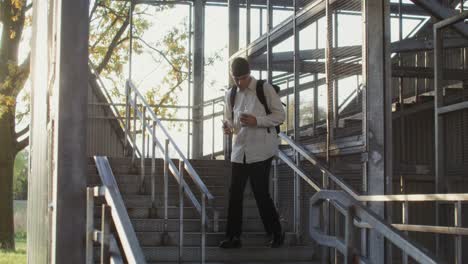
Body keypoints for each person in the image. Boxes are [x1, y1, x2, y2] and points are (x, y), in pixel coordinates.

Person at [219, 57, 285, 249]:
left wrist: (257, 121)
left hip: (261, 150)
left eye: (243, 78)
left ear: (250, 74)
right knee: (235, 194)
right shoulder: (231, 93)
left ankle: (275, 233)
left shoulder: (264, 88)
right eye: (236, 78)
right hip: (239, 151)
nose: (240, 82)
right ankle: (233, 237)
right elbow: (229, 120)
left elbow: (279, 116)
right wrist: (227, 127)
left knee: (261, 192)